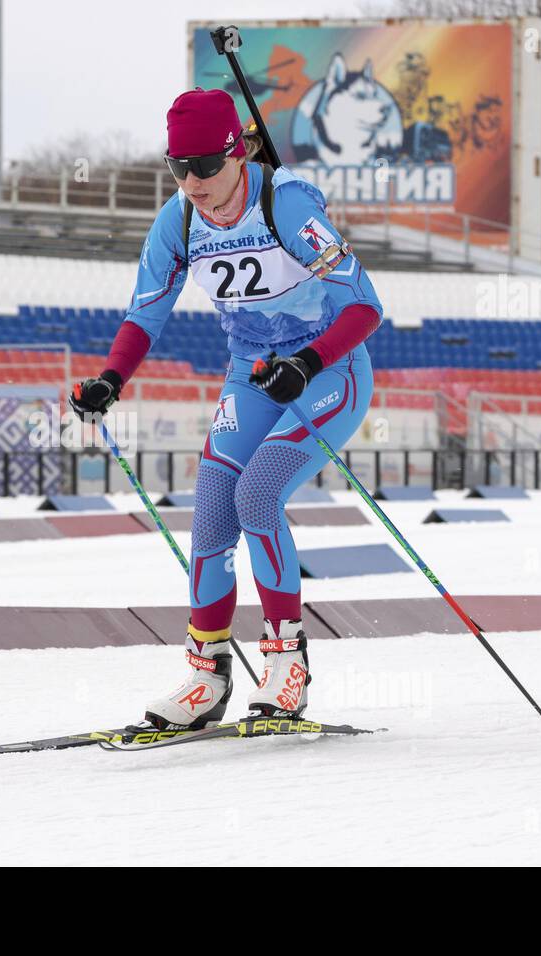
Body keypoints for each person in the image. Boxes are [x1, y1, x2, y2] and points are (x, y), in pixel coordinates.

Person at [69, 88, 383, 730]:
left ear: (237, 153)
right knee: (211, 512)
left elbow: (364, 306)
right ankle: (207, 676)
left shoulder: (284, 203)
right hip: (253, 373)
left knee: (258, 495)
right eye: (178, 167)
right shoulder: (177, 221)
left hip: (328, 371)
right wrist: (110, 378)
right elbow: (144, 314)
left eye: (207, 166)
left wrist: (308, 363)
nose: (193, 183)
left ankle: (286, 663)